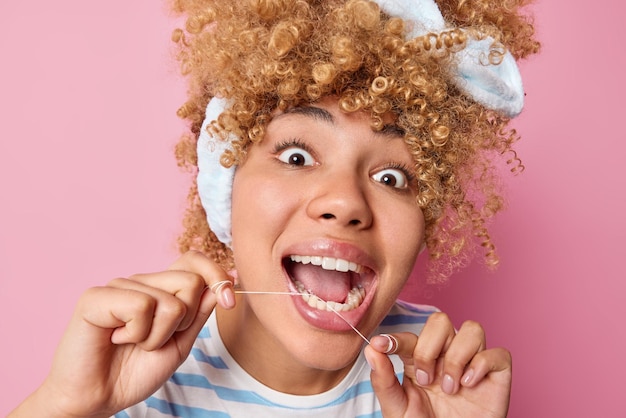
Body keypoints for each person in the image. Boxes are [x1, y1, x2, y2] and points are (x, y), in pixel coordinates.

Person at [9, 0, 539, 416]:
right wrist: (64, 408)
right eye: (296, 155)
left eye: (391, 177)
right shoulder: (135, 369)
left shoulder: (435, 375)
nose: (346, 202)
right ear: (226, 184)